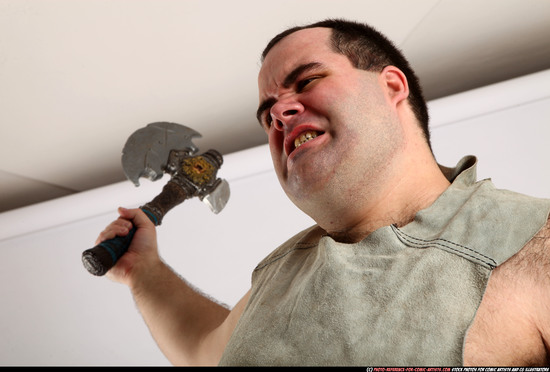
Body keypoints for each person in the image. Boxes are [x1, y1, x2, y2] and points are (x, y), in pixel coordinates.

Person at [95, 19, 550, 366]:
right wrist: (143, 271)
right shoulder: (278, 277)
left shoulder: (533, 242)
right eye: (267, 112)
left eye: (308, 80)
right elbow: (203, 349)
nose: (279, 113)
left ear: (392, 86)